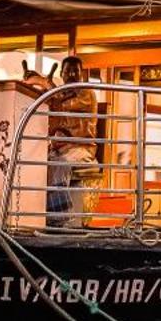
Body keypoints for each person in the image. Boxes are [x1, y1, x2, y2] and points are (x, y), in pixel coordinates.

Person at [45, 57, 100, 228]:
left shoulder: (86, 93)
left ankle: (60, 217)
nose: (72, 74)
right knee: (38, 162)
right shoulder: (58, 96)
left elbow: (63, 104)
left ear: (81, 74)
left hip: (82, 148)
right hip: (62, 147)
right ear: (61, 74)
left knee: (61, 163)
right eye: (68, 71)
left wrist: (46, 86)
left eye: (76, 71)